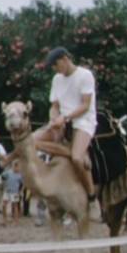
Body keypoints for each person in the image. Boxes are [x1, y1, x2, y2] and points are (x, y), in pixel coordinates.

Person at [35, 47, 101, 222]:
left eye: (56, 65)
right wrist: (53, 118)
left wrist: (64, 118)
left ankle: (92, 198)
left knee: (78, 158)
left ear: (65, 59)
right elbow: (54, 105)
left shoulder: (85, 75)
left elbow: (86, 105)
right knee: (31, 141)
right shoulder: (57, 79)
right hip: (62, 122)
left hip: (83, 122)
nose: (55, 70)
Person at [3, 160, 24, 226]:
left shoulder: (20, 175)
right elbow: (3, 177)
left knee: (15, 206)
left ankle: (16, 221)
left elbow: (23, 184)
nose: (17, 168)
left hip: (15, 192)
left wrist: (21, 191)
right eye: (16, 166)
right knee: (4, 205)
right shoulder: (8, 172)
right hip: (7, 190)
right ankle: (4, 219)